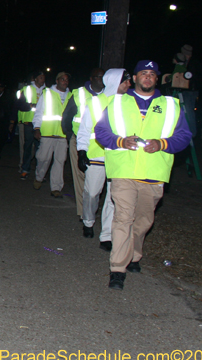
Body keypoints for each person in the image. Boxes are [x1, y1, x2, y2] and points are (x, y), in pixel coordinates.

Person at [94, 60, 192, 290]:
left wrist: (162, 143)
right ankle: (117, 269)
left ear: (156, 79)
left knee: (143, 221)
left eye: (151, 74)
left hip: (153, 173)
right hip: (124, 171)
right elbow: (101, 131)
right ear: (134, 79)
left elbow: (185, 136)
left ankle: (134, 255)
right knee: (122, 219)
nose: (147, 77)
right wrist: (120, 141)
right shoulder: (117, 102)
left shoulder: (171, 105)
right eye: (142, 74)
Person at [75, 68, 129, 246]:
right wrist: (81, 151)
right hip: (96, 154)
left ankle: (107, 235)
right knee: (92, 193)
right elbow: (84, 128)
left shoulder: (129, 103)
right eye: (125, 81)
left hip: (119, 156)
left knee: (114, 197)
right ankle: (88, 221)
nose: (129, 84)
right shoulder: (95, 102)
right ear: (115, 82)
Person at [61, 68, 105, 219]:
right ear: (91, 79)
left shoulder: (110, 95)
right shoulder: (79, 93)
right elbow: (67, 116)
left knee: (97, 181)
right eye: (99, 77)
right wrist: (70, 136)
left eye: (103, 77)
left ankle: (93, 208)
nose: (102, 79)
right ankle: (83, 212)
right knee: (80, 176)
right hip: (80, 141)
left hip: (102, 144)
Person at [32, 72, 70, 197]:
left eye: (66, 80)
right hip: (47, 132)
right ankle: (39, 177)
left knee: (60, 161)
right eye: (62, 79)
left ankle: (56, 187)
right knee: (43, 158)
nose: (65, 81)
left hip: (63, 135)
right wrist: (37, 128)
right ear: (57, 81)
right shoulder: (47, 93)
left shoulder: (71, 96)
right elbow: (39, 112)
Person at [17, 71, 46, 179]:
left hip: (42, 124)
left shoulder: (47, 91)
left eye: (44, 78)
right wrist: (33, 106)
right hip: (29, 123)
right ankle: (25, 169)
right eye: (41, 77)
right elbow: (21, 105)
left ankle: (40, 173)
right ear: (35, 79)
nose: (43, 80)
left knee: (41, 149)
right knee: (28, 147)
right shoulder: (27, 89)